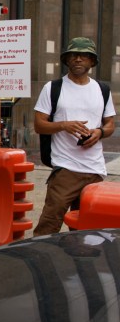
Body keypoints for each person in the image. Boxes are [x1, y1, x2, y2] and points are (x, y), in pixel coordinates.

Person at [33, 37, 116, 236]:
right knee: (50, 222)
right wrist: (63, 125)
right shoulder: (53, 88)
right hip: (65, 169)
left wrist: (100, 132)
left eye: (84, 56)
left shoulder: (102, 90)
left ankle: (80, 262)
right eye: (74, 55)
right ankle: (40, 260)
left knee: (88, 229)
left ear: (92, 61)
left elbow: (110, 124)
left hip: (95, 169)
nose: (78, 59)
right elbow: (39, 125)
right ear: (67, 60)